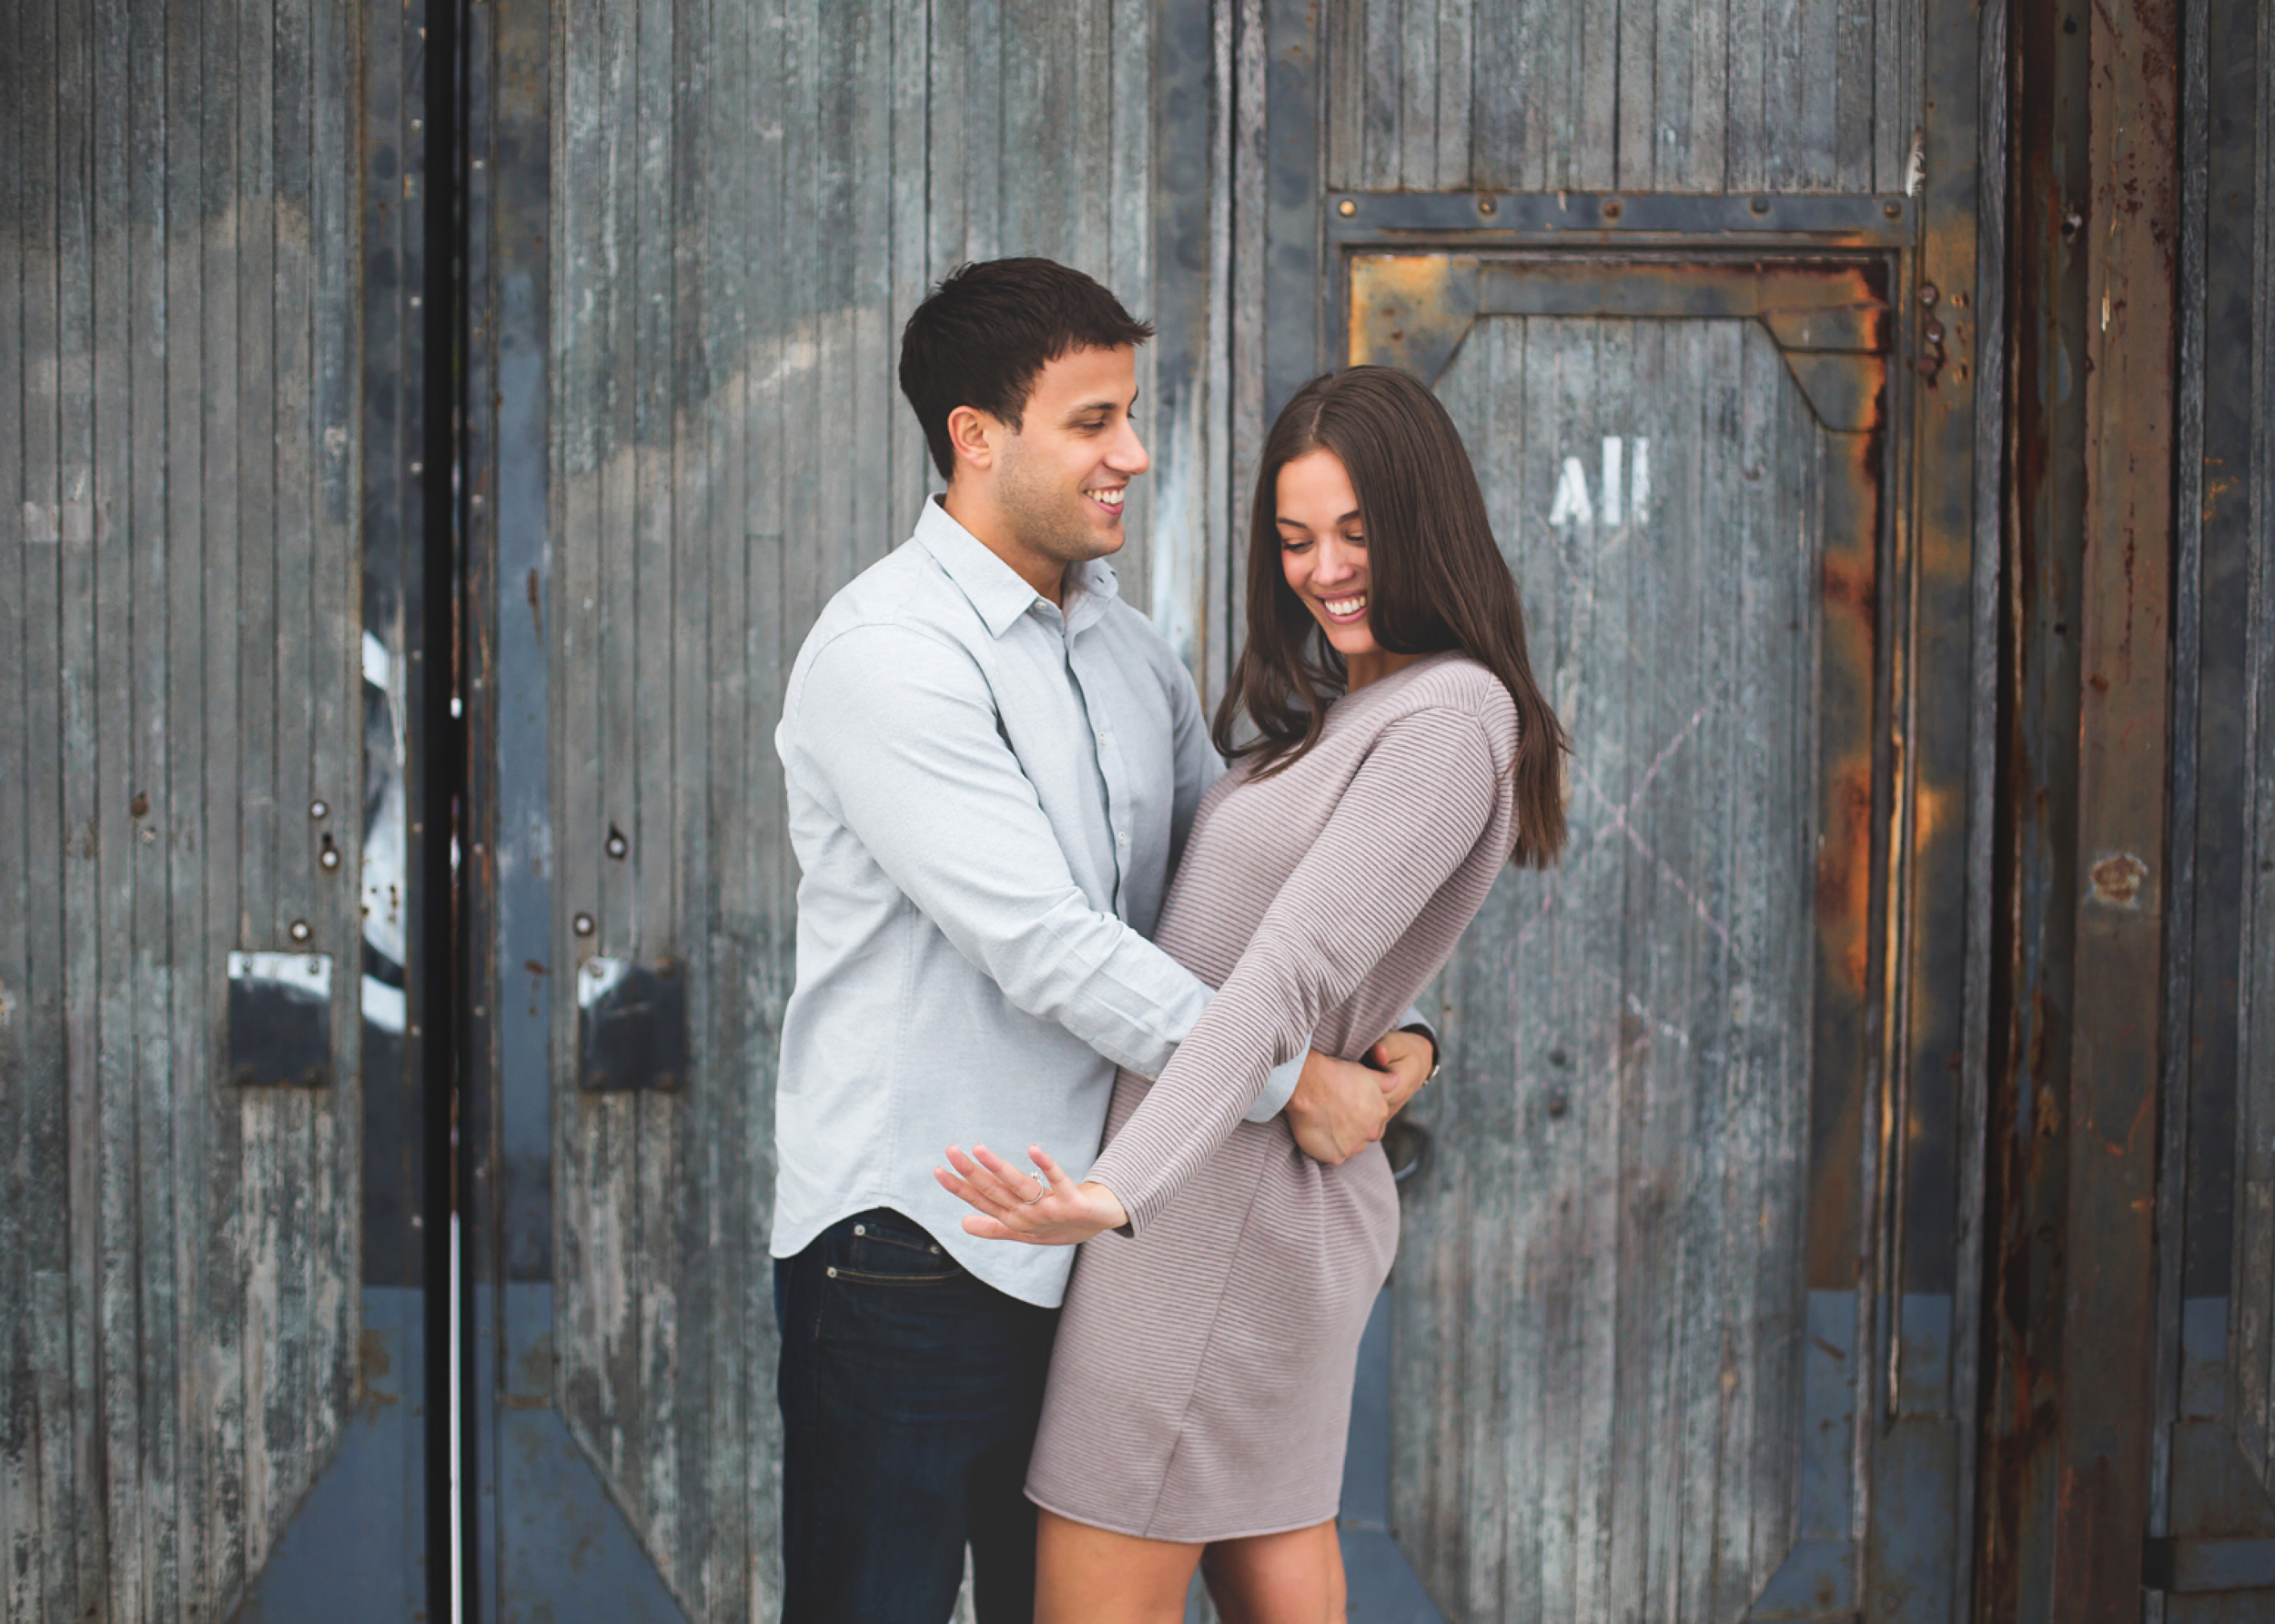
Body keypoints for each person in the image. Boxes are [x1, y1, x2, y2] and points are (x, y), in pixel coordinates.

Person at [768, 260, 1439, 1624]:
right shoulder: (891, 654)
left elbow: (1249, 885)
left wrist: (1400, 1035)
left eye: (1131, 414)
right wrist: (1290, 1081)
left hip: (1100, 1250)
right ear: (976, 435)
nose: (1133, 453)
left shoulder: (1124, 652)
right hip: (915, 1248)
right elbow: (1050, 947)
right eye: (1093, 421)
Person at [937, 365, 1570, 1624]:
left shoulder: (1447, 715)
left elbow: (1285, 975)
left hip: (1204, 1227)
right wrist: (1409, 1040)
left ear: (1426, 522)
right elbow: (1322, 955)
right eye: (1294, 539)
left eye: (1355, 532)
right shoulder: (1362, 710)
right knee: (1277, 1575)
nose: (1324, 569)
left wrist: (1120, 1191)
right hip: (1237, 1210)